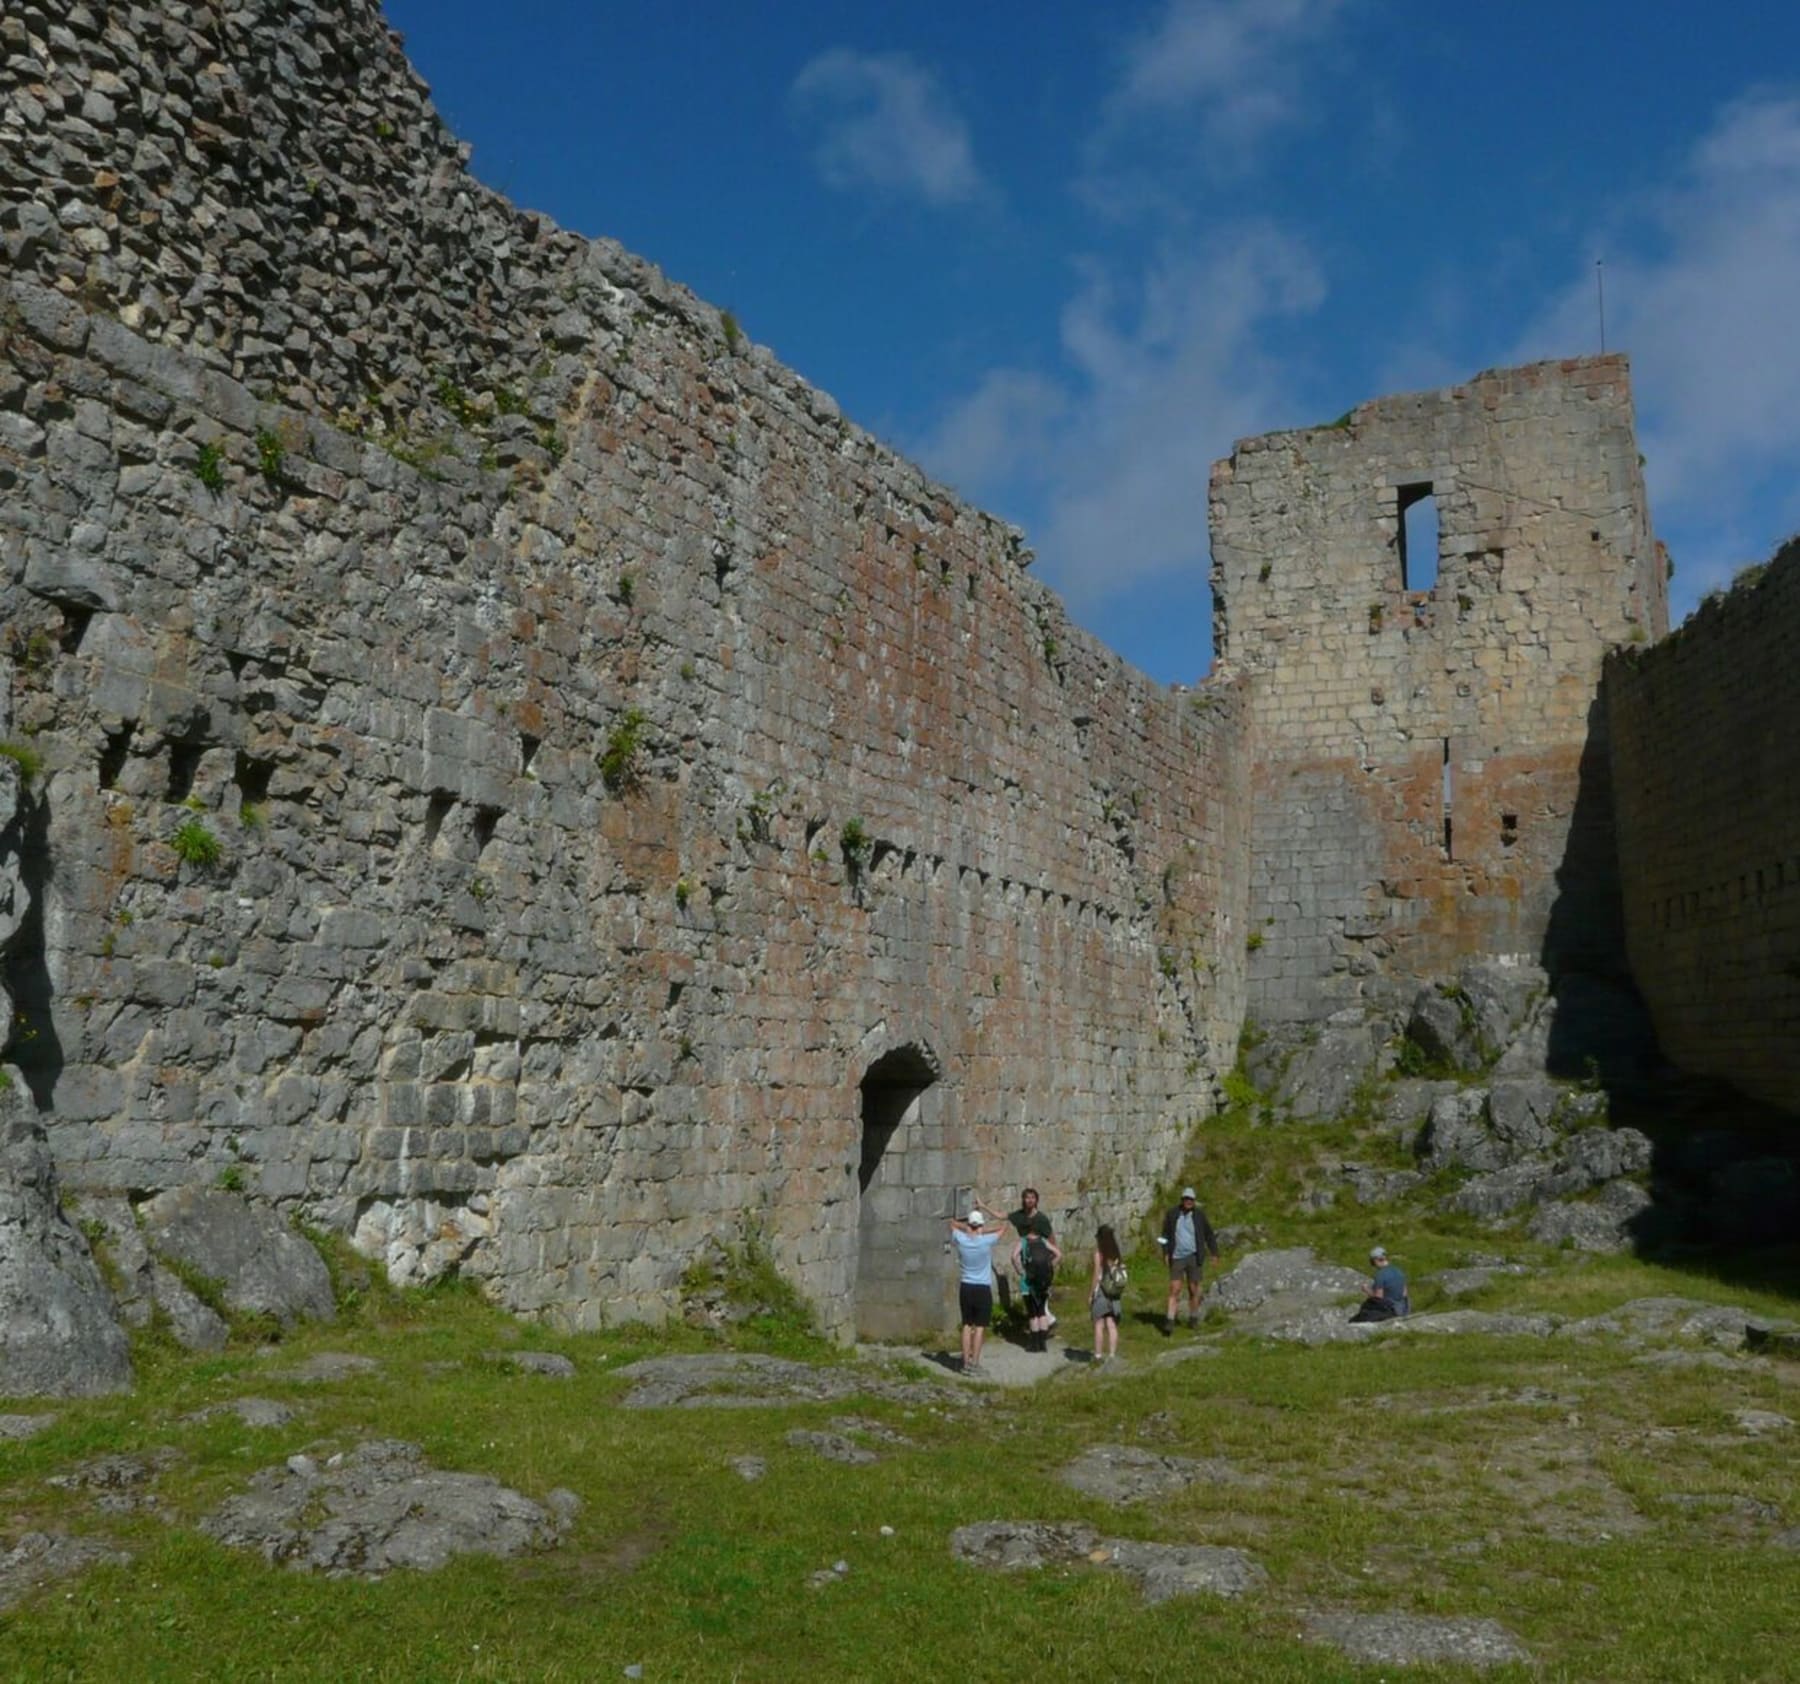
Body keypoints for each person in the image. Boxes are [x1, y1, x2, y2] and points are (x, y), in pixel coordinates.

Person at [948, 1204, 1011, 1374]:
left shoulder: (960, 1239)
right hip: (982, 1288)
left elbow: (952, 1223)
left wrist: (965, 1227)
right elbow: (1003, 1228)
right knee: (980, 1326)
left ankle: (965, 1362)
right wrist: (982, 1229)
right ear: (981, 1225)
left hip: (966, 1286)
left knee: (967, 1325)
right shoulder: (986, 1240)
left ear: (969, 1224)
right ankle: (975, 1363)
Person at [1158, 1185, 1221, 1333]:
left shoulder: (1199, 1216)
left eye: (1191, 1199)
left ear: (1194, 1201)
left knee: (1194, 1289)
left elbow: (1209, 1235)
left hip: (1194, 1256)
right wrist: (1166, 1252)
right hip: (1177, 1256)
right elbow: (1163, 1236)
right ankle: (1170, 1320)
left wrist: (1214, 1253)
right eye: (1186, 1199)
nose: (1188, 1202)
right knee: (1174, 1288)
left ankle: (1193, 1317)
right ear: (1182, 1200)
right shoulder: (1172, 1214)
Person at [1004, 1187, 1055, 1323]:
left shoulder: (1041, 1220)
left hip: (1037, 1265)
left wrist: (1021, 1272)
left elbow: (1051, 1238)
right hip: (1034, 1263)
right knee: (1038, 1300)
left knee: (1036, 1306)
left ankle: (1041, 1326)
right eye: (1027, 1197)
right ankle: (1043, 1325)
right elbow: (1003, 1215)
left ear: (1036, 1200)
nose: (1030, 1200)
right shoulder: (1020, 1216)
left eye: (1032, 1197)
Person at [1012, 1219, 1062, 1352]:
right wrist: (1050, 1267)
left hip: (1028, 1282)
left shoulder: (1023, 1241)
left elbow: (1013, 1257)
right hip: (1043, 1282)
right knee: (1041, 1312)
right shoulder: (1043, 1241)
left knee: (1032, 1314)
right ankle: (1043, 1344)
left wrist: (1020, 1271)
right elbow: (1058, 1254)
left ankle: (1034, 1344)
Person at [1089, 1224, 1126, 1363]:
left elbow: (1096, 1275)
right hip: (1114, 1293)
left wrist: (1091, 1293)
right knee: (1111, 1324)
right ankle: (1112, 1355)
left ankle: (1098, 1355)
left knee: (1099, 1324)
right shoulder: (1116, 1253)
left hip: (1102, 1292)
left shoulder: (1099, 1254)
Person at [1350, 1245, 1409, 1322]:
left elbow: (1378, 1298)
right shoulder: (1399, 1271)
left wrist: (1366, 1290)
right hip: (1402, 1308)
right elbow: (1404, 1293)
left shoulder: (1380, 1275)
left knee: (1366, 1307)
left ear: (1376, 1260)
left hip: (1390, 1309)